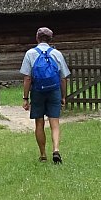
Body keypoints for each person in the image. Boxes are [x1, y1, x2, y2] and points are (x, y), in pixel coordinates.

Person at [20, 27, 71, 164]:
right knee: (55, 122)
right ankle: (56, 150)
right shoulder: (57, 53)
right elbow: (63, 78)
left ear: (37, 38)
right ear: (50, 39)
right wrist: (63, 96)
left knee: (39, 123)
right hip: (54, 90)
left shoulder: (30, 53)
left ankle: (43, 154)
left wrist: (25, 98)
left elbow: (27, 78)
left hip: (37, 91)